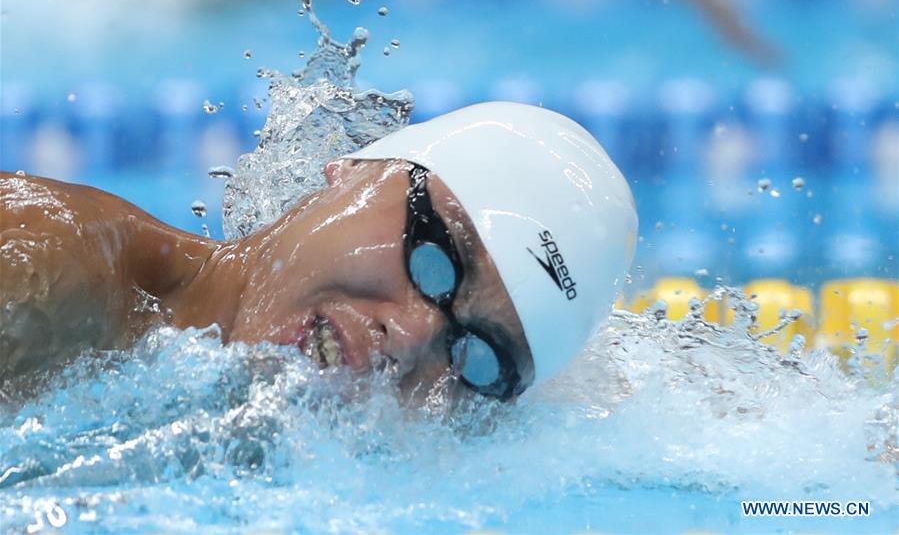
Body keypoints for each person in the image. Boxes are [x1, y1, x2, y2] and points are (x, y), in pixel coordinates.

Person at [0, 102, 637, 401]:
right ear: (355, 170)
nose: (414, 333)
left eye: (475, 355)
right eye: (436, 257)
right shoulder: (47, 273)